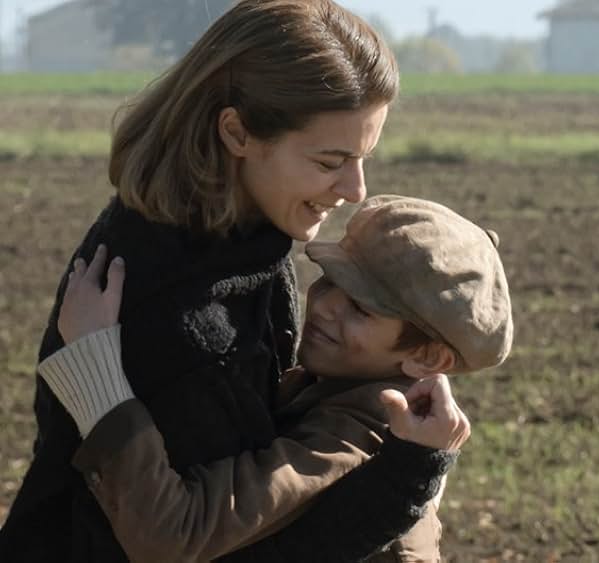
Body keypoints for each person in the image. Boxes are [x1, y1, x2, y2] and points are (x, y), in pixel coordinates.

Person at [0, 2, 472, 561]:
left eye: (363, 157)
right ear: (237, 131)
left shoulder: (251, 253)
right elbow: (219, 543)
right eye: (330, 161)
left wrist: (417, 470)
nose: (355, 189)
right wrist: (410, 478)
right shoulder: (167, 300)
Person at [35, 195, 514, 563]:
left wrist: (97, 374)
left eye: (361, 309)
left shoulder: (356, 438)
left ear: (427, 357)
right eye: (330, 281)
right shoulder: (340, 397)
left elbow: (171, 535)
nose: (325, 306)